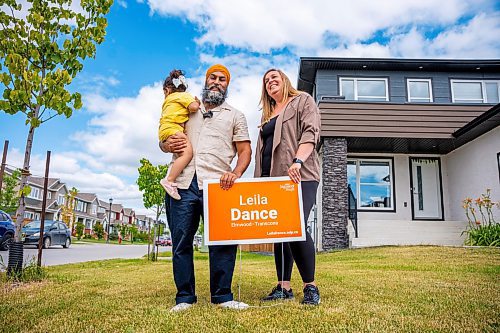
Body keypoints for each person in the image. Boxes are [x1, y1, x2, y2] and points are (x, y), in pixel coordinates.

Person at [160, 64, 252, 312]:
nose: (217, 82)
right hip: (181, 184)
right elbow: (165, 137)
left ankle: (223, 296)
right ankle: (184, 298)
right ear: (205, 80)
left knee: (223, 243)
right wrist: (166, 145)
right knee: (181, 243)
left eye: (222, 79)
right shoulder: (187, 107)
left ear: (227, 85)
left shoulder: (235, 115)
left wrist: (236, 173)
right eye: (213, 77)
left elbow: (245, 151)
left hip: (218, 185)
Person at [254, 69, 321, 305]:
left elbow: (311, 133)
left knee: (296, 226)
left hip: (300, 175)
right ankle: (284, 287)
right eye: (266, 80)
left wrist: (298, 161)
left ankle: (310, 287)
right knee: (280, 231)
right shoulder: (267, 115)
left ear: (284, 80)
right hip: (273, 180)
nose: (270, 81)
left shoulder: (302, 100)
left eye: (275, 77)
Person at [158, 69, 201, 200]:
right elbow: (193, 107)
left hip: (165, 129)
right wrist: (197, 102)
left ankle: (171, 178)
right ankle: (169, 180)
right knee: (188, 153)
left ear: (167, 90)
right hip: (173, 128)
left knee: (181, 152)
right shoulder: (183, 95)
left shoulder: (168, 100)